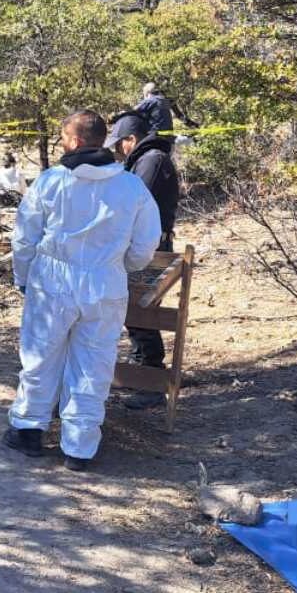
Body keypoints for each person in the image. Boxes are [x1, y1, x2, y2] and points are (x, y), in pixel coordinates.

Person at [4, 110, 161, 471]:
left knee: (41, 356)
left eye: (63, 137)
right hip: (104, 283)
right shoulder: (130, 186)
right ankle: (79, 447)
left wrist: (24, 277)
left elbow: (24, 238)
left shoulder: (51, 182)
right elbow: (145, 243)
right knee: (94, 362)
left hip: (52, 281)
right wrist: (122, 267)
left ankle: (28, 430)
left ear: (74, 141)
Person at [105, 111, 181, 410]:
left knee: (141, 311)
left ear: (131, 139)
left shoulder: (150, 160)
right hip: (148, 247)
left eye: (119, 143)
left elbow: (134, 203)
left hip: (150, 250)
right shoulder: (149, 159)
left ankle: (150, 381)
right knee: (136, 312)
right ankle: (142, 372)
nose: (117, 150)